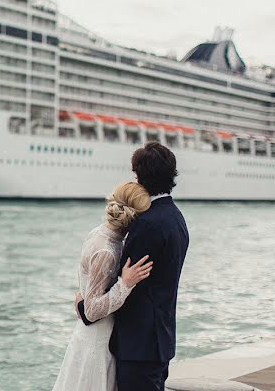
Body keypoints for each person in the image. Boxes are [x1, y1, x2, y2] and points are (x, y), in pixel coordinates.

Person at [79, 142, 189, 391]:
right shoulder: (176, 217)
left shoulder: (147, 224)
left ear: (139, 177)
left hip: (139, 344)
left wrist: (84, 305)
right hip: (160, 339)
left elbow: (125, 283)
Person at [51, 181, 154, 391]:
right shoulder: (107, 251)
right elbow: (92, 309)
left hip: (91, 335)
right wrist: (125, 284)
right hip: (98, 339)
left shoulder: (98, 233)